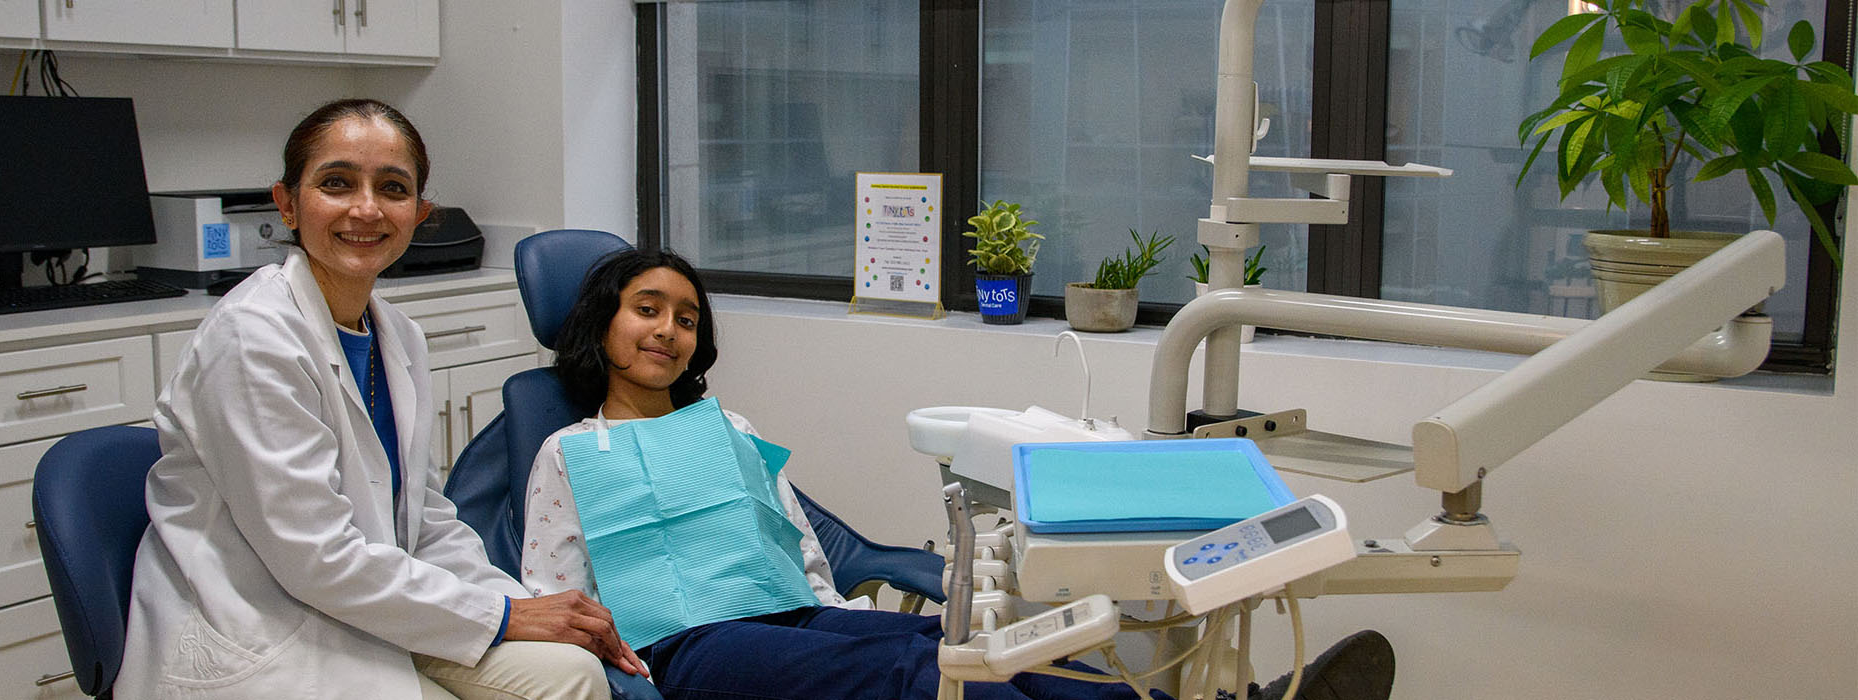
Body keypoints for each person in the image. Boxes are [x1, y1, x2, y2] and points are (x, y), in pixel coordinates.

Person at [522, 249, 1396, 700]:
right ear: (602, 323)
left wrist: (833, 618)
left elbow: (786, 538)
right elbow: (549, 590)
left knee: (955, 645)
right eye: (647, 310)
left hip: (790, 613)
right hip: (687, 647)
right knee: (926, 680)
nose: (668, 331)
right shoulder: (570, 451)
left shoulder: (731, 429)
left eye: (684, 317)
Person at [118, 98, 625, 700]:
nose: (365, 208)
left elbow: (424, 518)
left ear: (419, 213)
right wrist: (507, 619)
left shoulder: (397, 334)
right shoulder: (251, 338)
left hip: (366, 603)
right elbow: (315, 558)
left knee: (573, 674)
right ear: (286, 203)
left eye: (392, 188)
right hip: (264, 622)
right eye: (336, 183)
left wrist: (525, 608)